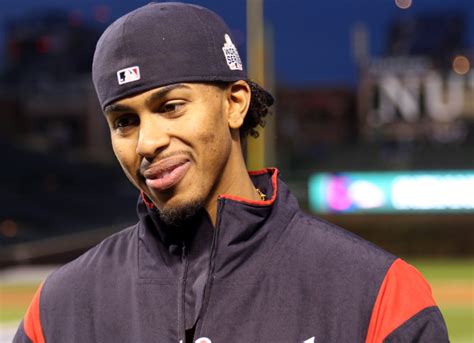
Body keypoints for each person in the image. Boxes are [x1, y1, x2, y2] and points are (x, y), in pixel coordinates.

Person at [14, 2, 449, 343]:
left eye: (170, 107)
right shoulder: (57, 310)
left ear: (235, 103)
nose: (147, 142)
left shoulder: (379, 295)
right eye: (124, 121)